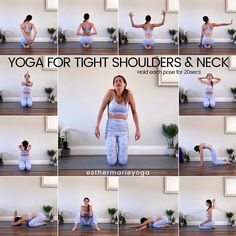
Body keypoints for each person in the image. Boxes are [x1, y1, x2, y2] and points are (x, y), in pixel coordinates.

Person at [95, 75, 141, 166]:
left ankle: (120, 154)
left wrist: (138, 129)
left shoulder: (128, 94)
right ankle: (112, 153)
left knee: (122, 162)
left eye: (120, 80)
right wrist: (97, 126)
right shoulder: (110, 93)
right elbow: (101, 109)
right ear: (113, 85)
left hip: (123, 129)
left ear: (124, 84)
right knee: (111, 162)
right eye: (116, 81)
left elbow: (134, 112)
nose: (118, 82)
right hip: (110, 129)